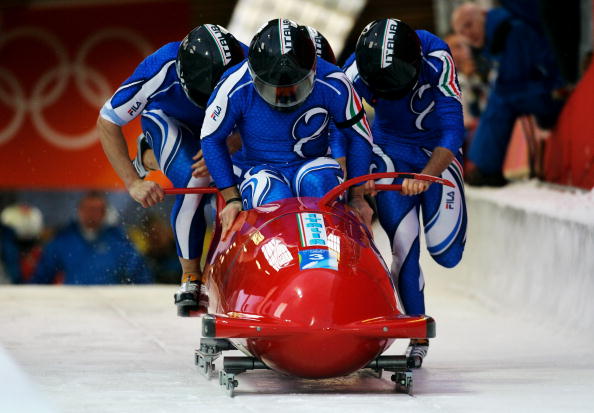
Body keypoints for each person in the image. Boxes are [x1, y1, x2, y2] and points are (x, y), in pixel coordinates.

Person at [97, 25, 246, 315]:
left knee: (250, 179)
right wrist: (132, 183)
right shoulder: (159, 69)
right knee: (198, 178)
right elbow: (107, 120)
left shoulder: (249, 60)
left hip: (226, 127)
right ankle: (191, 276)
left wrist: (233, 140)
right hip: (170, 121)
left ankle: (150, 157)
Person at [343, 18, 467, 367]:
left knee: (447, 253)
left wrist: (427, 176)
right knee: (403, 246)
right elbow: (341, 127)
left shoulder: (437, 58)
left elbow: (452, 131)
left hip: (435, 154)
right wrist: (358, 176)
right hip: (390, 153)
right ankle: (417, 332)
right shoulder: (352, 72)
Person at [200, 19, 374, 240]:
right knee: (271, 194)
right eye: (273, 89)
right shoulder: (233, 85)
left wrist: (357, 196)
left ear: (313, 70)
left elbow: (359, 136)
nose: (284, 96)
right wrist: (232, 198)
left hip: (313, 163)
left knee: (318, 180)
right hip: (262, 170)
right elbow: (211, 138)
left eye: (294, 87)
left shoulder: (335, 82)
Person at [452, 2, 566, 186]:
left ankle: (486, 170)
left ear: (483, 14)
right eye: (462, 31)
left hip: (553, 92)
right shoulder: (495, 40)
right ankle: (483, 167)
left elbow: (512, 80)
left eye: (468, 24)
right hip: (541, 90)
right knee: (499, 98)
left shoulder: (511, 31)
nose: (468, 34)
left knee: (501, 100)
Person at [30, 191, 152, 285]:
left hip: (109, 303)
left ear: (104, 212)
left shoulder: (118, 241)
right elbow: (42, 276)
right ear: (79, 211)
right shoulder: (63, 241)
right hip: (72, 303)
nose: (91, 214)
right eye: (87, 209)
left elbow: (140, 275)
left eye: (96, 210)